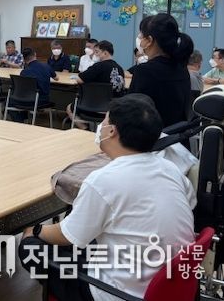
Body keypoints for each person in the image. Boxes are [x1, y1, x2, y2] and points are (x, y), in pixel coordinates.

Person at [19, 94, 195, 301]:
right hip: (170, 284)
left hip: (118, 293)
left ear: (112, 131)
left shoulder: (103, 180)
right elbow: (189, 203)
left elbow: (66, 236)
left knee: (30, 247)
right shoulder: (170, 169)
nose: (100, 126)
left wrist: (34, 230)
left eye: (104, 120)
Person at [129, 13, 194, 127]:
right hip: (176, 134)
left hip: (151, 134)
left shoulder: (144, 71)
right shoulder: (182, 69)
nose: (139, 38)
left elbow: (131, 111)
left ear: (149, 40)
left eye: (141, 35)